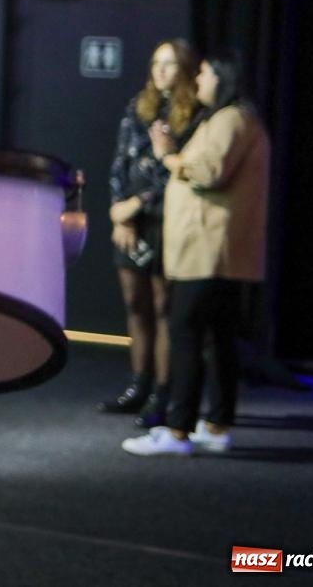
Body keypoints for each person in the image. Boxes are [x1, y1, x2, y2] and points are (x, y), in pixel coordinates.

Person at [122, 51, 271, 456]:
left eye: (203, 73)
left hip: (210, 250)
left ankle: (176, 431)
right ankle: (216, 424)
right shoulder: (228, 118)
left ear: (222, 78)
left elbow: (209, 172)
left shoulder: (232, 119)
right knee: (217, 337)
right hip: (212, 250)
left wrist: (167, 154)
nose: (197, 80)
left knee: (185, 331)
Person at [98, 39, 200, 428]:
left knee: (163, 309)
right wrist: (119, 214)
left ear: (186, 70)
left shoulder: (193, 116)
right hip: (130, 223)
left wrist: (138, 204)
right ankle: (137, 386)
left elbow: (175, 172)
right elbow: (119, 164)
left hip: (165, 220)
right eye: (156, 63)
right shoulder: (137, 108)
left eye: (170, 64)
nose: (160, 71)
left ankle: (162, 392)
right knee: (135, 306)